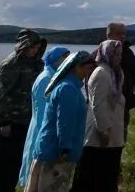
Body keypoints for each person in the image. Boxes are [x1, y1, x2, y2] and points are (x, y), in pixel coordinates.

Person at [0, 29, 45, 192]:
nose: (35, 51)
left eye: (37, 48)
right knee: (2, 164)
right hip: (9, 123)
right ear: (24, 46)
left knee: (16, 164)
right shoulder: (10, 65)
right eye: (32, 47)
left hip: (26, 122)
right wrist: (4, 121)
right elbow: (0, 96)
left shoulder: (37, 64)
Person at [28, 51, 95, 192]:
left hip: (56, 150)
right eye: (88, 67)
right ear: (76, 67)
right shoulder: (68, 89)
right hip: (56, 153)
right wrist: (65, 149)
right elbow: (64, 122)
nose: (90, 71)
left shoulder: (71, 86)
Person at [71, 40, 125, 192]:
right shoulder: (101, 73)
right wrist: (104, 130)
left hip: (112, 135)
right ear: (107, 53)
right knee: (97, 178)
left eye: (120, 54)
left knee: (108, 176)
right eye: (115, 54)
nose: (119, 57)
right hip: (100, 138)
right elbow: (98, 104)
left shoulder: (115, 72)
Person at [18, 46, 70, 188]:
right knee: (37, 173)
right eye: (64, 59)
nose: (68, 62)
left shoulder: (53, 76)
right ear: (55, 60)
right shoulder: (47, 79)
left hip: (43, 129)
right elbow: (43, 111)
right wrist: (47, 137)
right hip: (42, 130)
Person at [104, 23, 135, 142]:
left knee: (121, 136)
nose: (122, 36)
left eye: (124, 34)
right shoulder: (101, 53)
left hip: (124, 101)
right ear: (109, 35)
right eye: (118, 34)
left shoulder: (128, 53)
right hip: (105, 102)